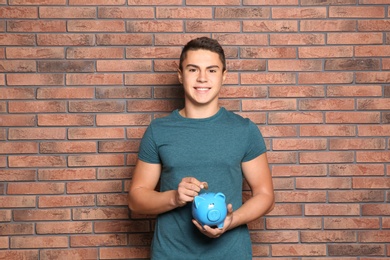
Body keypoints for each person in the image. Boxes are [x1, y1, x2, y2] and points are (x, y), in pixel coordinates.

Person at [128, 37, 274, 260]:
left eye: (212, 70)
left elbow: (265, 195)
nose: (202, 78)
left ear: (223, 76)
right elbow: (136, 199)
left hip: (231, 254)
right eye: (193, 69)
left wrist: (231, 221)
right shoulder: (158, 130)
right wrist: (175, 198)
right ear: (180, 74)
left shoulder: (244, 130)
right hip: (170, 254)